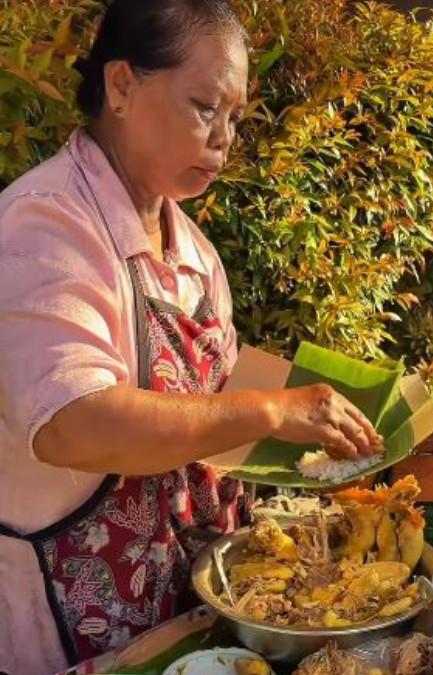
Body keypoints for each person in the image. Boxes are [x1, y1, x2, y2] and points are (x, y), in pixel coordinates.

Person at [0, 2, 380, 671]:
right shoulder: (45, 224)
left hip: (189, 605)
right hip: (75, 623)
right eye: (206, 106)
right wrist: (273, 409)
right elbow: (73, 421)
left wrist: (325, 427)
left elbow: (217, 401)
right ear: (121, 86)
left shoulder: (195, 252)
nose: (224, 137)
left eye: (234, 118)